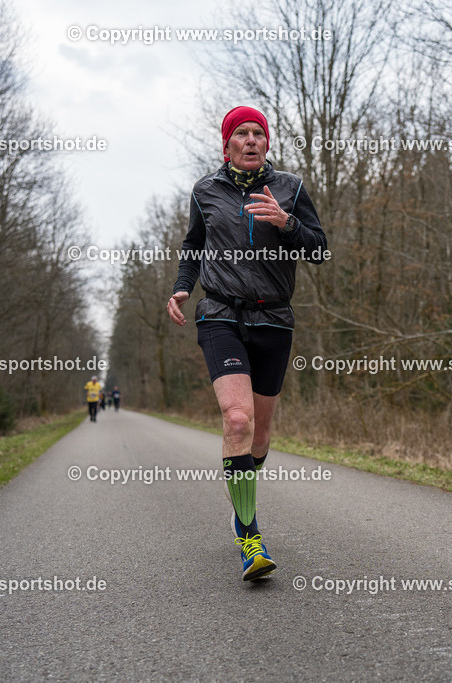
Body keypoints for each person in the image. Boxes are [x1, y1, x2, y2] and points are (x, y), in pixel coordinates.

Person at [168, 105, 327, 581]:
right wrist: (182, 286)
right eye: (243, 134)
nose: (253, 140)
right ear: (228, 145)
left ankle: (240, 502)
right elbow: (193, 246)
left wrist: (287, 224)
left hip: (274, 318)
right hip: (219, 313)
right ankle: (249, 536)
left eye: (260, 133)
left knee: (258, 436)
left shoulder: (290, 189)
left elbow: (318, 249)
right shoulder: (205, 191)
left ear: (268, 143)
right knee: (237, 419)